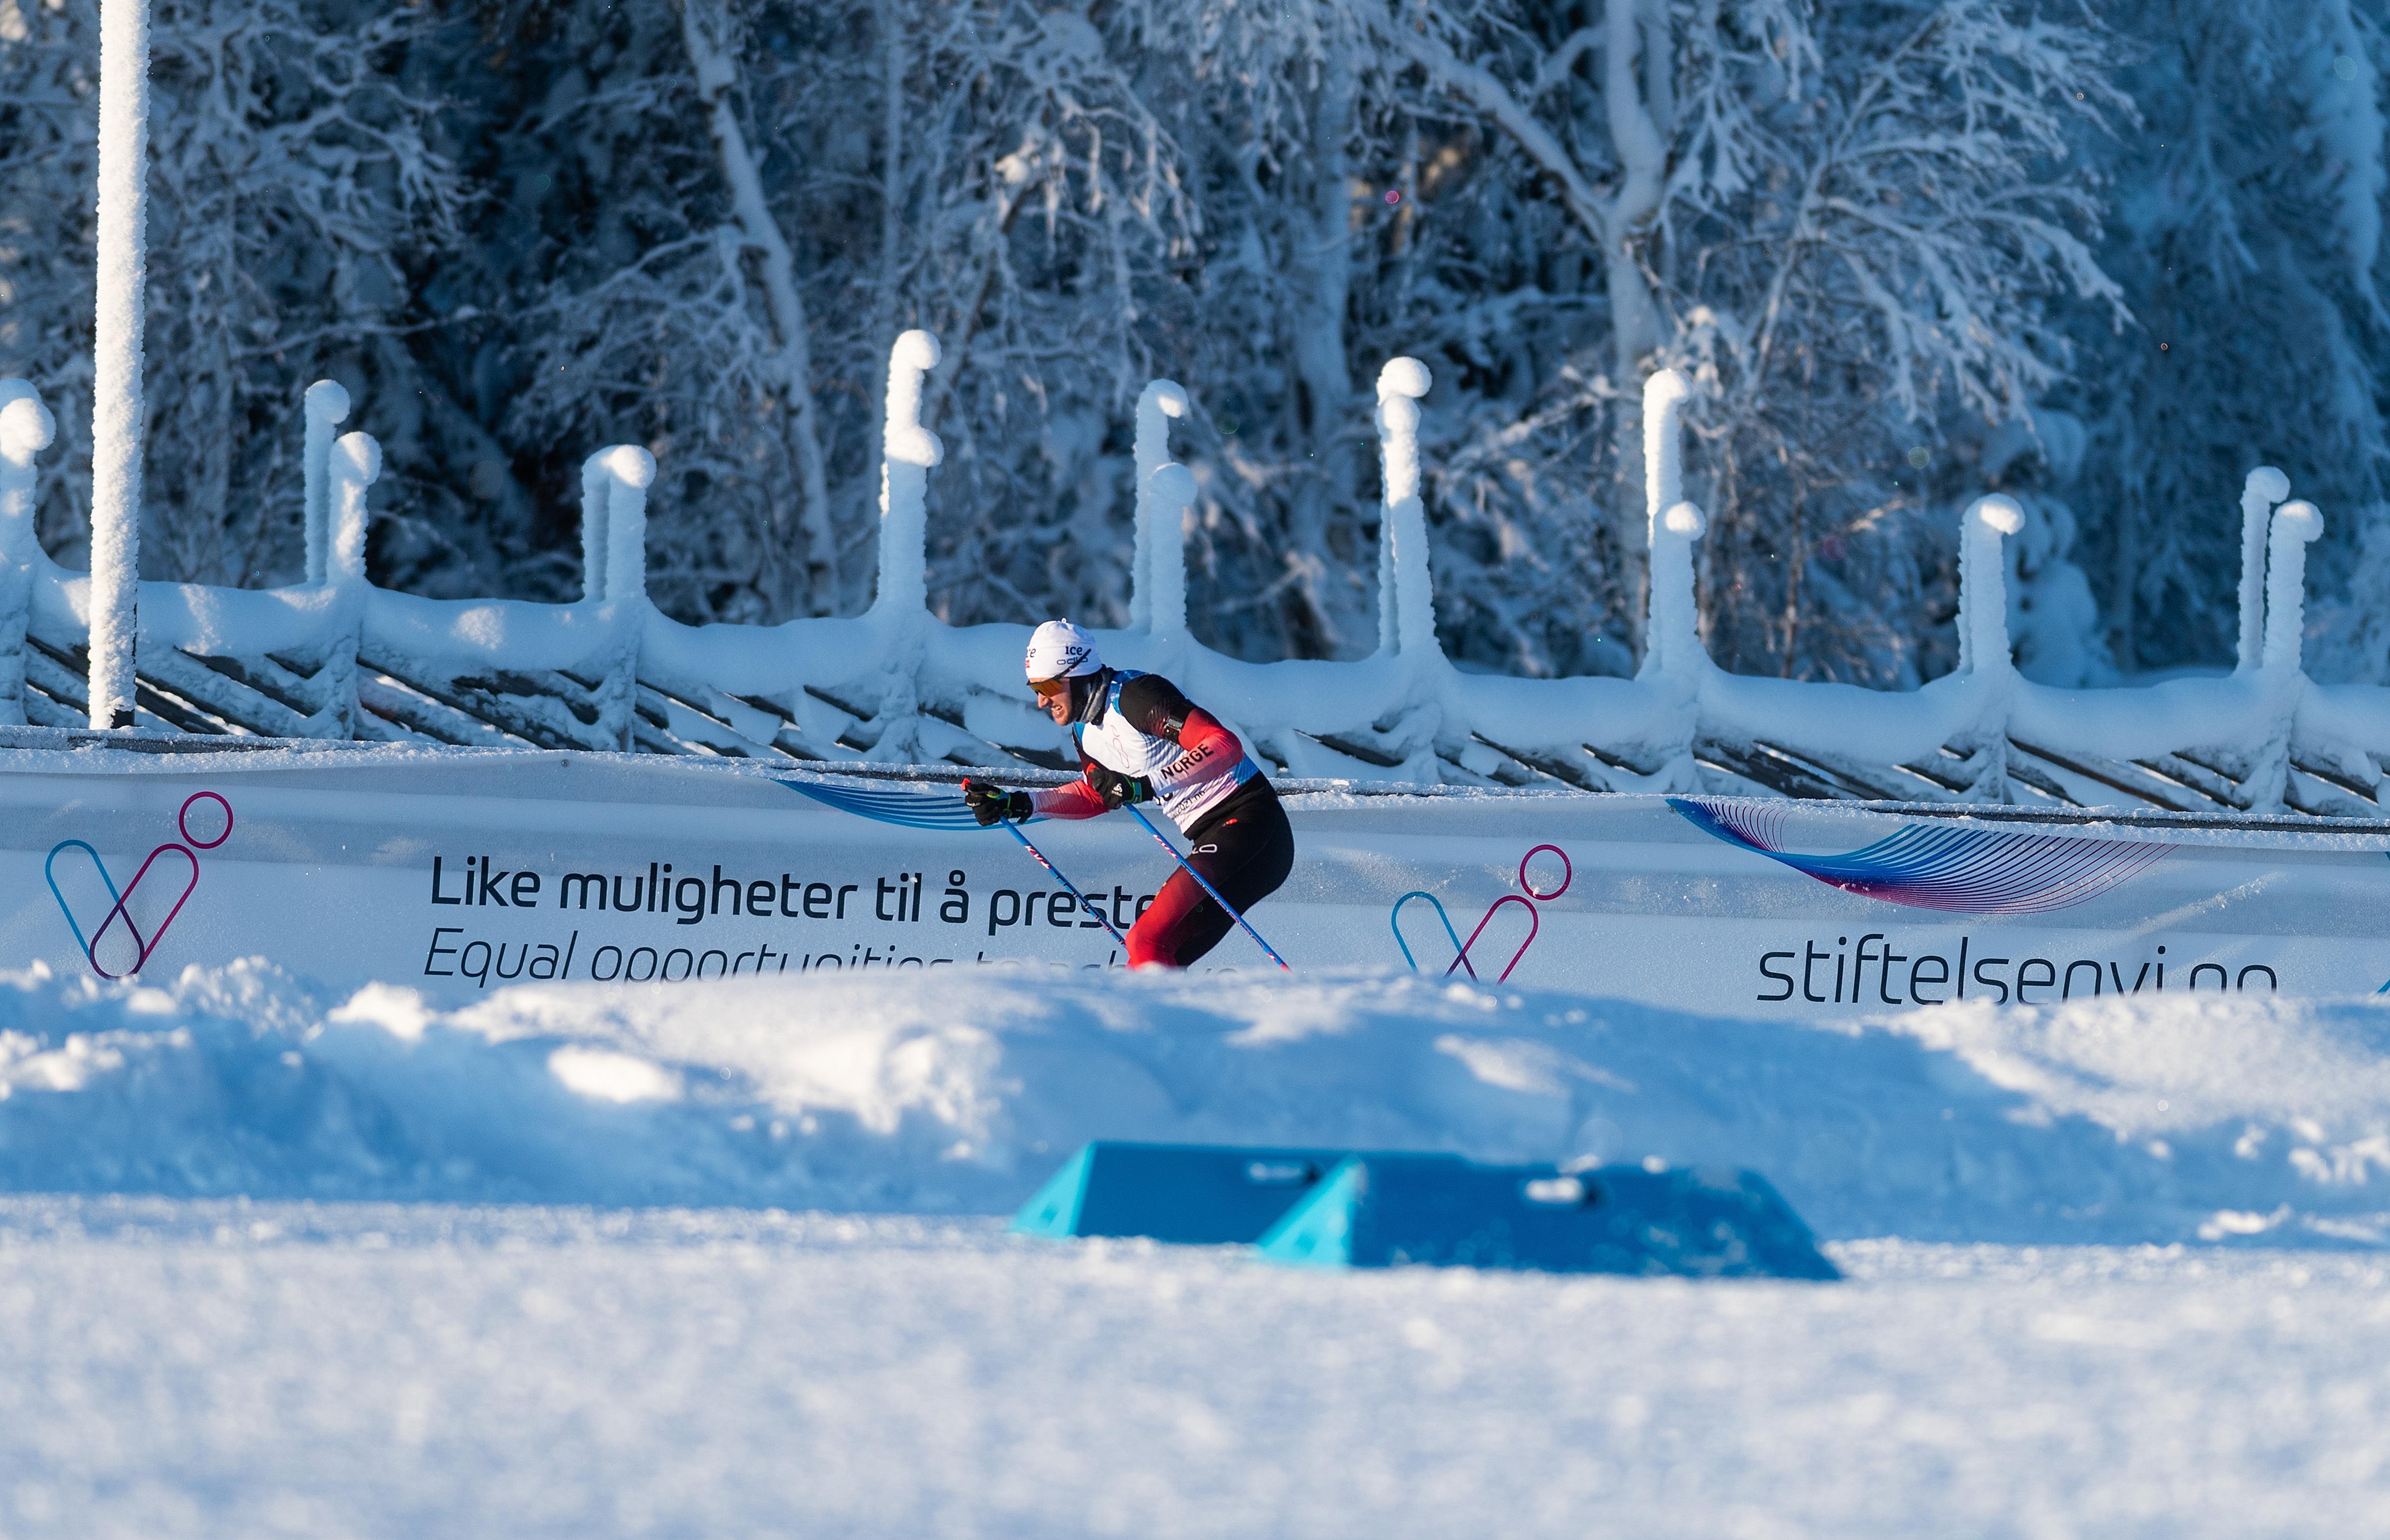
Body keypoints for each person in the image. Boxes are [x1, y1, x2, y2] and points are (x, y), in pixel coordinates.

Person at [962, 620, 1293, 969]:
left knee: (1146, 939)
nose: (1042, 701)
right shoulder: (1083, 730)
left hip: (1250, 822)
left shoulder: (1137, 696)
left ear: (1077, 672)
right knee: (1161, 957)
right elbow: (1097, 795)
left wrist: (1146, 785)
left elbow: (1224, 744)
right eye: (1035, 688)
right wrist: (1019, 803)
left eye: (1047, 685)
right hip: (1214, 837)